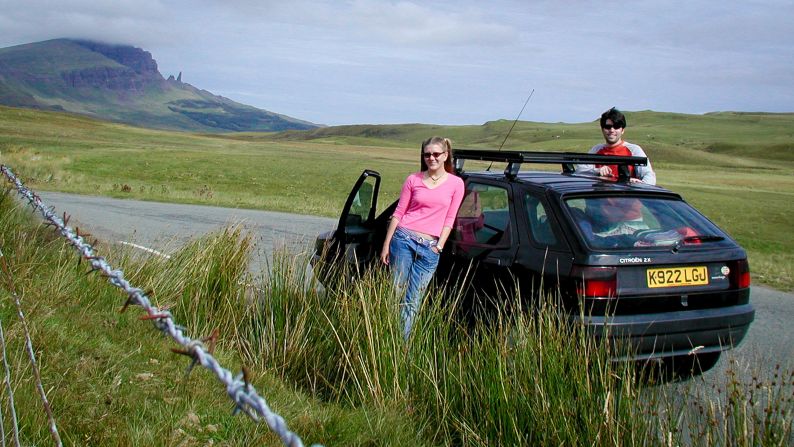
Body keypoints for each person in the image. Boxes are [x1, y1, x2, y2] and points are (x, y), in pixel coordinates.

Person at [380, 136, 465, 340]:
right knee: (396, 292)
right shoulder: (413, 179)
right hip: (404, 239)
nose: (431, 158)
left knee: (414, 299)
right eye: (427, 154)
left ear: (445, 155)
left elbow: (450, 218)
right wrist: (386, 245)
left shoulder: (456, 183)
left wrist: (439, 246)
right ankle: (390, 340)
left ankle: (403, 345)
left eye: (436, 154)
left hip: (430, 248)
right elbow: (399, 212)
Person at [576, 107, 656, 185]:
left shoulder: (634, 150)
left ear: (622, 130)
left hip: (627, 197)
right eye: (608, 127)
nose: (612, 130)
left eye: (616, 126)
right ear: (602, 129)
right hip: (600, 197)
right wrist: (597, 171)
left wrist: (638, 185)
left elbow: (649, 175)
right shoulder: (596, 150)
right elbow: (579, 171)